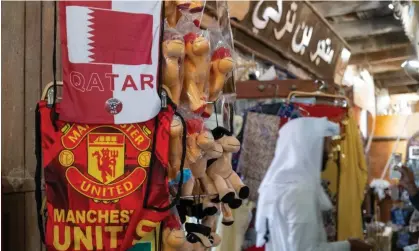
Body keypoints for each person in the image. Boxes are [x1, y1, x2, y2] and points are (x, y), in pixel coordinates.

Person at [255, 117, 372, 251]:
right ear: (312, 147)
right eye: (327, 145)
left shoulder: (276, 185)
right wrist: (349, 246)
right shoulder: (300, 191)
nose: (330, 152)